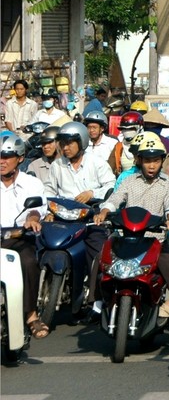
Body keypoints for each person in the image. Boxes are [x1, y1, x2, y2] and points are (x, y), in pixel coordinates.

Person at [93, 133, 169, 326]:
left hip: (156, 238)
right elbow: (115, 198)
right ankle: (96, 301)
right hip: (125, 235)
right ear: (139, 160)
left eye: (155, 161)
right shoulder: (129, 181)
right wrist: (104, 211)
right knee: (99, 257)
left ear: (162, 161)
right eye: (147, 161)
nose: (151, 165)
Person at [44, 121, 116, 322]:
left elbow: (112, 187)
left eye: (70, 143)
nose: (65, 148)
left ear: (82, 142)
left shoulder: (97, 163)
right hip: (62, 217)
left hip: (90, 217)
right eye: (62, 143)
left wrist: (93, 193)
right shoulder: (57, 165)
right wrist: (47, 211)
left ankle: (97, 302)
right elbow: (48, 190)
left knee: (99, 254)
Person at [0, 134, 48, 339]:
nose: (1, 161)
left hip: (19, 238)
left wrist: (33, 218)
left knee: (28, 262)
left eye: (6, 156)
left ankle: (31, 315)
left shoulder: (31, 183)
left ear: (19, 158)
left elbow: (36, 209)